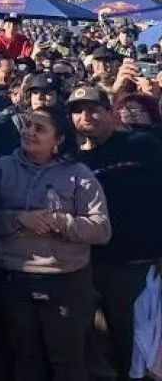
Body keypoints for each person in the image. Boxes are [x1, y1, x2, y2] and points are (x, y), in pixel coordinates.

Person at [0, 105, 111, 381]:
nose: (29, 132)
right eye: (27, 125)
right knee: (25, 360)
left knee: (67, 363)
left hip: (65, 282)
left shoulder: (78, 173)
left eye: (39, 129)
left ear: (59, 139)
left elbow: (101, 229)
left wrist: (60, 222)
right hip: (14, 280)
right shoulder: (2, 168)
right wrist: (19, 219)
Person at [68, 84, 162, 378]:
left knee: (138, 348)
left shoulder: (142, 145)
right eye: (78, 111)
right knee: (97, 348)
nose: (86, 116)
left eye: (94, 109)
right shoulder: (71, 160)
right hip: (87, 266)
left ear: (111, 112)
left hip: (137, 265)